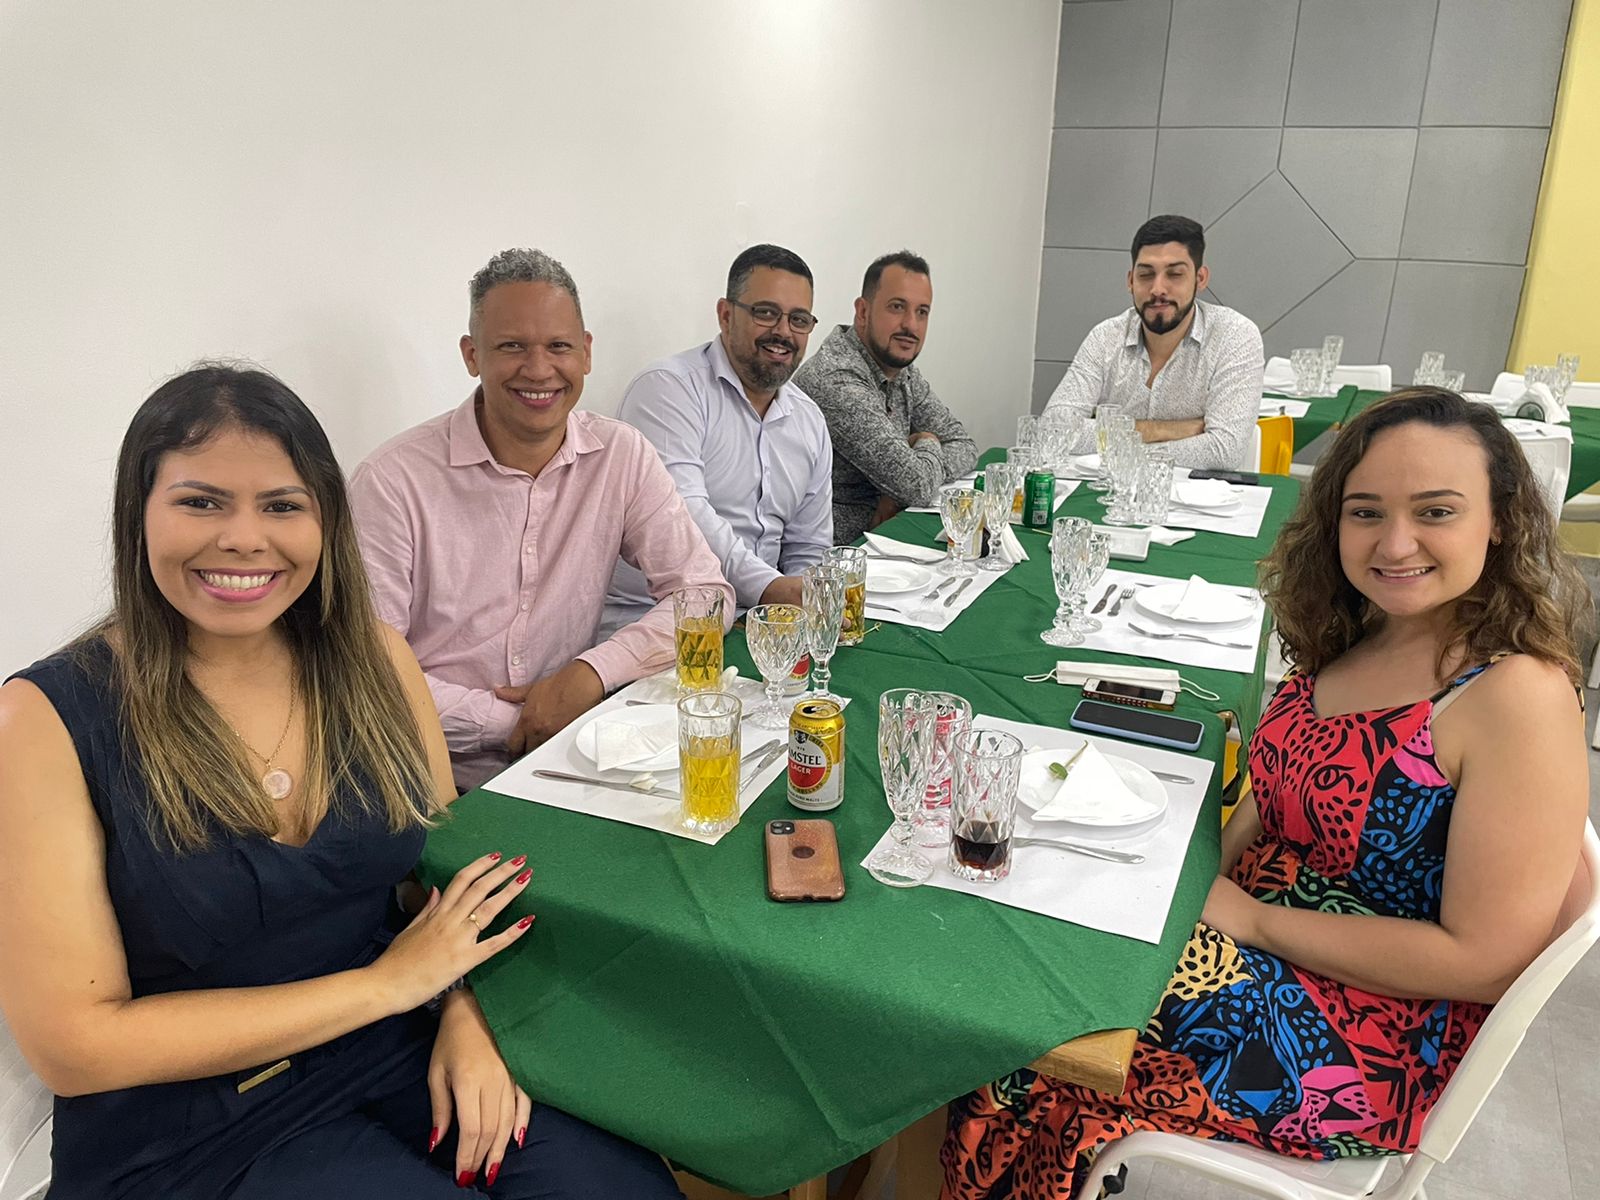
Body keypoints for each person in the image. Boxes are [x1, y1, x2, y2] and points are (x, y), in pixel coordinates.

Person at [0, 366, 684, 1199]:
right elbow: (76, 1048)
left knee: (622, 1187)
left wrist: (466, 1010)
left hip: (391, 1042)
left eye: (281, 505)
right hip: (186, 1125)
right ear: (137, 513)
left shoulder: (376, 660)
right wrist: (390, 984)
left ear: (324, 518)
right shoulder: (47, 717)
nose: (244, 538)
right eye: (201, 502)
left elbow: (438, 878)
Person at [942, 388, 1591, 1198]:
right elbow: (1274, 792)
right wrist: (1186, 882)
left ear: (1499, 520)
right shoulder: (1364, 629)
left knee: (1029, 1015)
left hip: (1358, 1033)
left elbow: (1485, 961)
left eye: (1436, 512)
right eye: (1366, 513)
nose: (1396, 543)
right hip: (1257, 936)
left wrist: (1249, 919)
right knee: (1035, 921)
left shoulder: (1516, 695)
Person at [350, 248, 733, 791]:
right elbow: (368, 669)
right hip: (429, 779)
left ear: (586, 352)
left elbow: (706, 597)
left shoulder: (620, 455)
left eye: (559, 346)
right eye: (512, 346)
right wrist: (517, 721)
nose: (538, 369)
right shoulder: (393, 480)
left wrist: (593, 672)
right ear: (471, 355)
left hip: (577, 761)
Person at [602, 243, 832, 626]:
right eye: (765, 313)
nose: (783, 332)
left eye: (799, 319)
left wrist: (797, 604)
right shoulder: (668, 389)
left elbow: (809, 546)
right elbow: (684, 519)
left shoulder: (809, 419)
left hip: (758, 622)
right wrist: (770, 589)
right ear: (726, 315)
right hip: (663, 624)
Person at [1042, 214, 1264, 470]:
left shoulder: (1234, 335)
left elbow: (1224, 451)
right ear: (1130, 281)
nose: (1158, 289)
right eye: (1146, 275)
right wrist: (1163, 430)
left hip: (1195, 494)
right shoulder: (1105, 337)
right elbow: (1053, 430)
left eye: (1175, 274)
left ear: (1200, 278)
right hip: (1111, 490)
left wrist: (1116, 442)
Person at [792, 250, 978, 545]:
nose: (911, 325)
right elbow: (916, 486)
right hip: (834, 554)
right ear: (863, 312)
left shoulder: (900, 370)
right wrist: (927, 440)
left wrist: (896, 491)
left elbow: (964, 445)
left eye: (922, 312)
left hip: (883, 539)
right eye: (897, 307)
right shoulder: (836, 377)